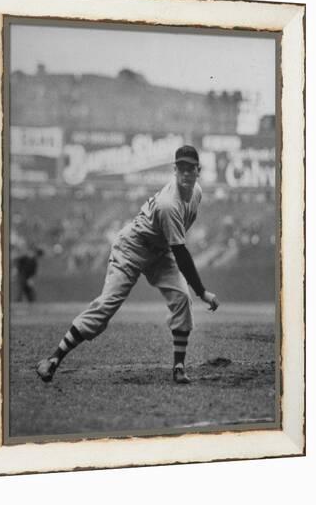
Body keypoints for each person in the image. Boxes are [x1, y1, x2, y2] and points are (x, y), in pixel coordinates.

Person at [36, 145, 219, 384]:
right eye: (181, 168)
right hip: (132, 247)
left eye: (190, 169)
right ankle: (52, 359)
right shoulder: (168, 204)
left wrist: (194, 290)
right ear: (174, 170)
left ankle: (178, 366)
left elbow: (177, 245)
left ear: (198, 171)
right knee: (106, 306)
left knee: (182, 298)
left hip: (160, 251)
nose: (186, 173)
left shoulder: (197, 193)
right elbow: (181, 253)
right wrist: (203, 292)